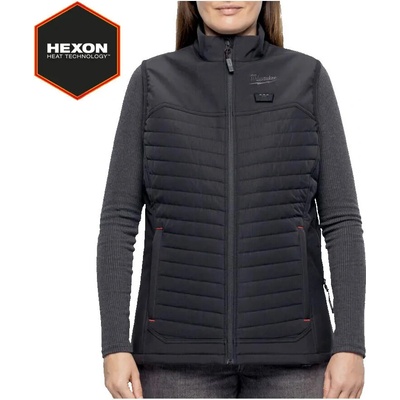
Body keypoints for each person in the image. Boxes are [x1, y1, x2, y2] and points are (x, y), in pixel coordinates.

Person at [96, 1, 366, 398]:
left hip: (295, 356)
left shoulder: (307, 78)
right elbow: (118, 220)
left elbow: (341, 220)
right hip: (175, 358)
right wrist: (114, 344)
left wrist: (351, 344)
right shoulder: (152, 81)